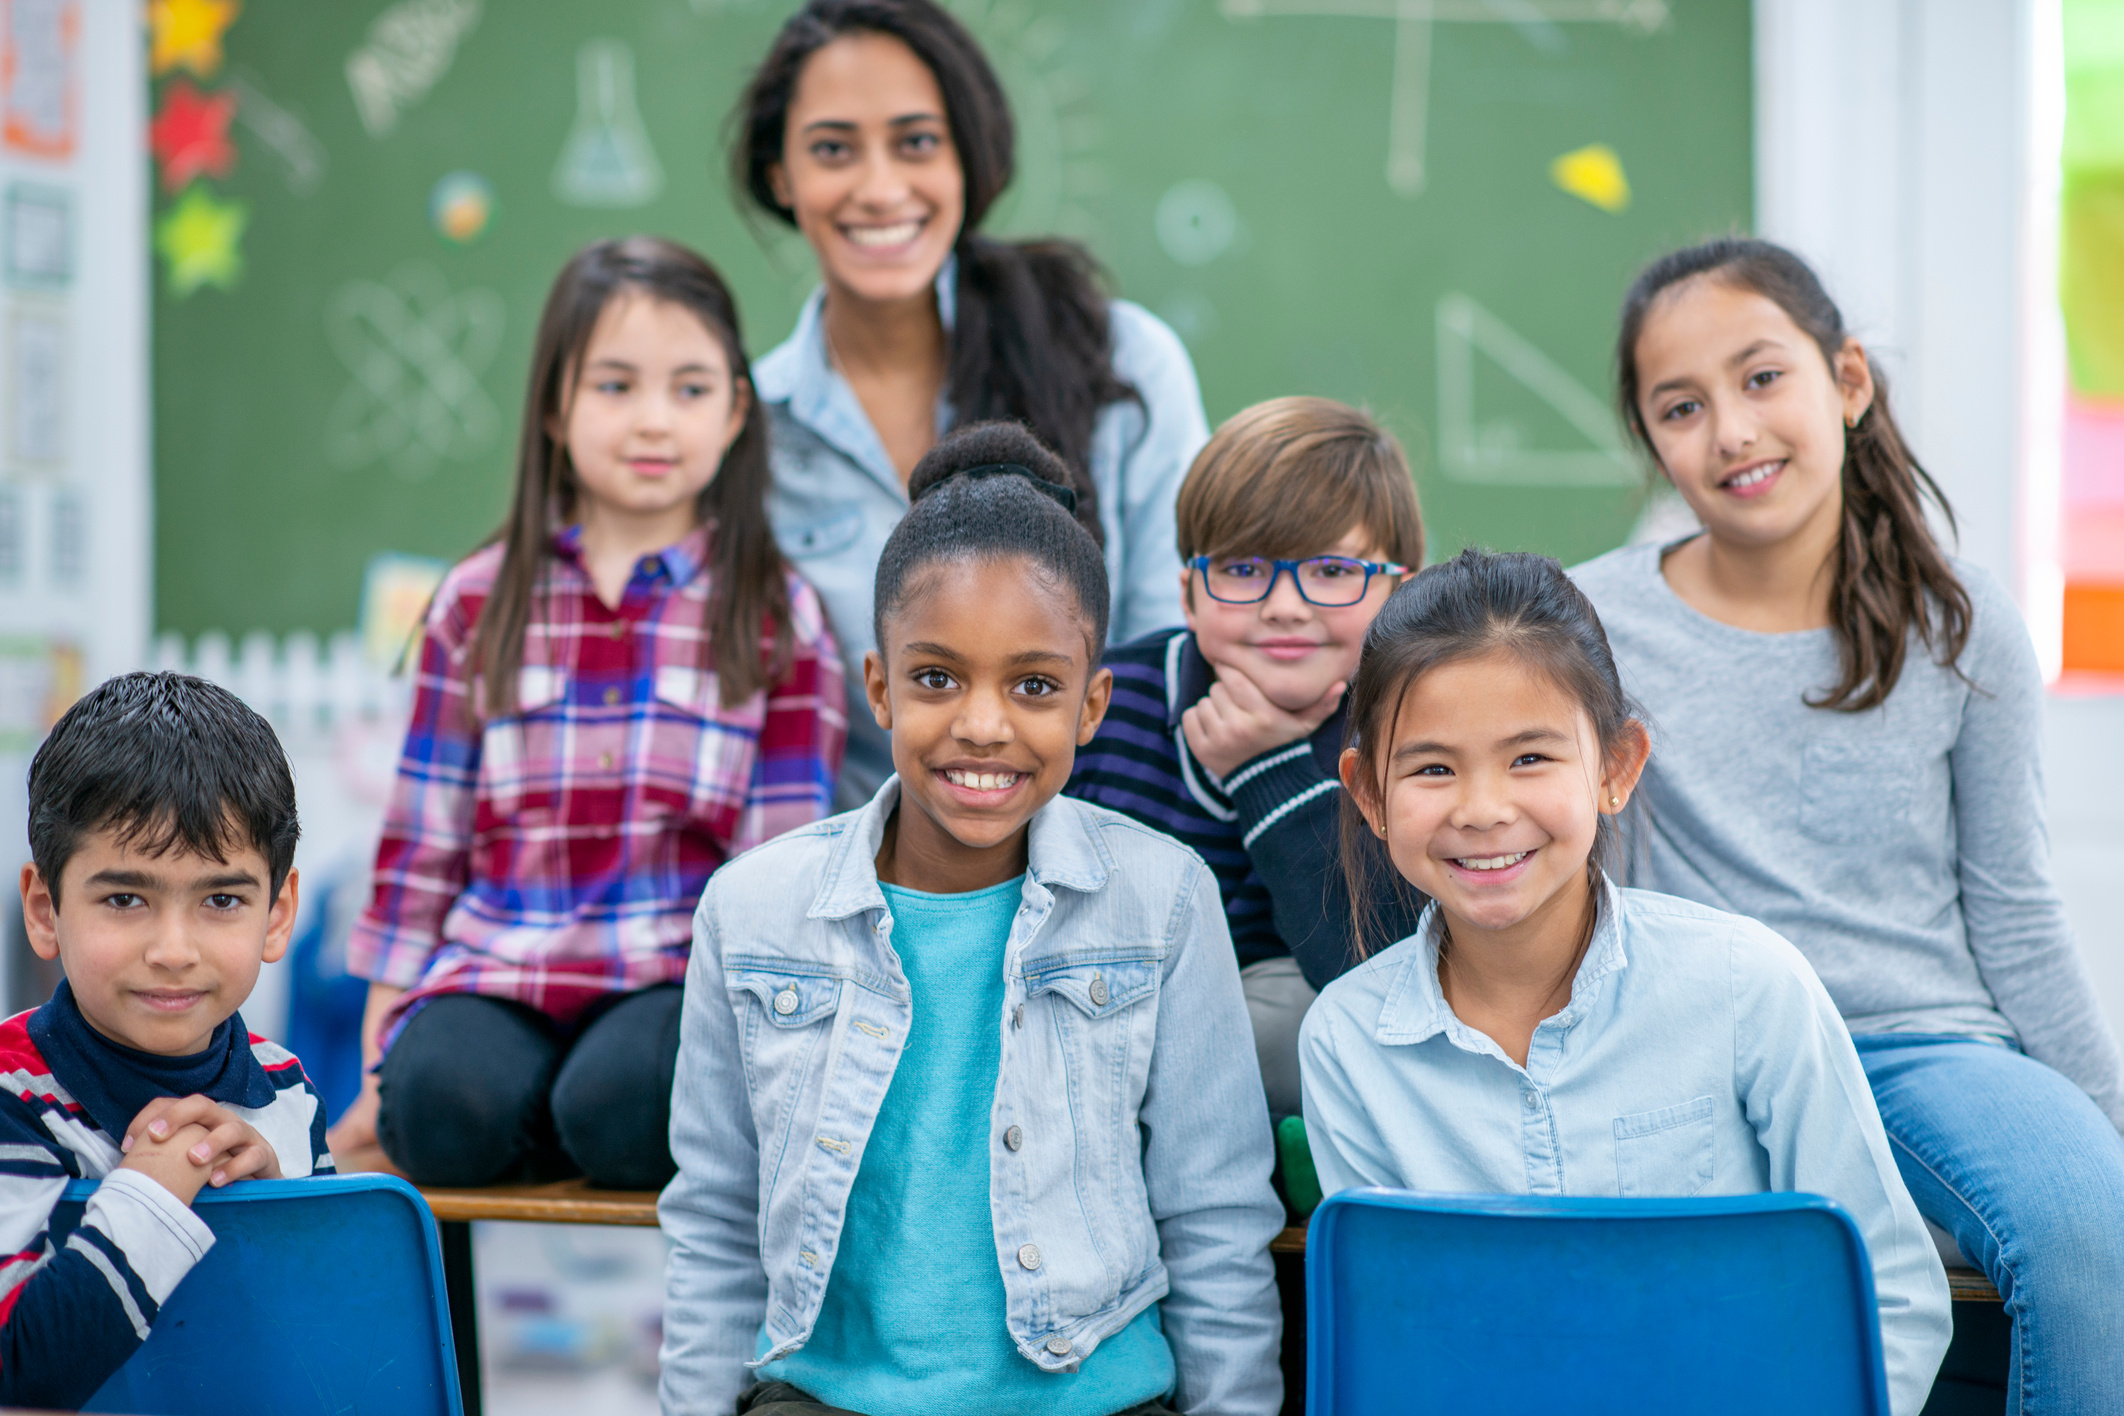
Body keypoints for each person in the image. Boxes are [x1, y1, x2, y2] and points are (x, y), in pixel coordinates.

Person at [1575, 236, 2124, 1412]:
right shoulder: (1592, 622)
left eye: (1762, 376)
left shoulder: (1963, 624)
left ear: (1849, 382)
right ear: (1654, 442)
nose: (1730, 429)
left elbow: (2017, 909)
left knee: (2091, 1230)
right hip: (1706, 1051)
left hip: (1928, 1047)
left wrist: (2111, 1134)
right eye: (1682, 406)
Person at [658, 422, 1283, 1416]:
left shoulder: (1160, 899)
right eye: (937, 677)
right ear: (880, 688)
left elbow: (1214, 1215)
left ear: (1092, 705)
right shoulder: (753, 909)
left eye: (1034, 685)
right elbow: (716, 1218)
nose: (983, 723)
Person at [1299, 549, 1951, 1415]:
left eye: (1530, 757)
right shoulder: (1348, 1042)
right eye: (1431, 768)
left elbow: (1893, 1292)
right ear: (1369, 796)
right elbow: (1396, 1350)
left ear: (1615, 768)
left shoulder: (1743, 986)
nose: (1484, 808)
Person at [330, 237, 846, 1190]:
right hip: (500, 968)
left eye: (690, 390)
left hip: (674, 980)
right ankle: (521, 1113)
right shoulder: (479, 604)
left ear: (737, 411)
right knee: (438, 1109)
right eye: (615, 387)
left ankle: (570, 1112)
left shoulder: (776, 615)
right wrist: (377, 1069)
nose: (654, 421)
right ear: (556, 409)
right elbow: (420, 855)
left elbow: (783, 877)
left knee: (623, 1112)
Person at [732, 0, 1210, 805]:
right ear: (782, 174)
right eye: (833, 149)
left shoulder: (1117, 361)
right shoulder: (744, 431)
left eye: (917, 142)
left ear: (967, 155)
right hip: (870, 891)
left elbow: (1176, 663)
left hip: (1107, 857)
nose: (880, 189)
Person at [1068, 397, 1427, 1120]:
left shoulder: (1416, 737)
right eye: (1243, 568)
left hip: (1289, 1084)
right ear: (1189, 594)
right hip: (1094, 1035)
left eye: (1332, 570)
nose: (1286, 605)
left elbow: (1382, 978)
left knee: (1289, 1020)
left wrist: (1268, 769)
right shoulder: (1103, 706)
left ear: (1401, 593)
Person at [2, 672, 334, 1409]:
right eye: (125, 899)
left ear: (277, 915)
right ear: (45, 910)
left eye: (221, 900)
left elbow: (322, 1329)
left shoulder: (287, 1089)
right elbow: (19, 1368)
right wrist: (156, 1186)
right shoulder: (10, 1097)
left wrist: (271, 1201)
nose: (174, 949)